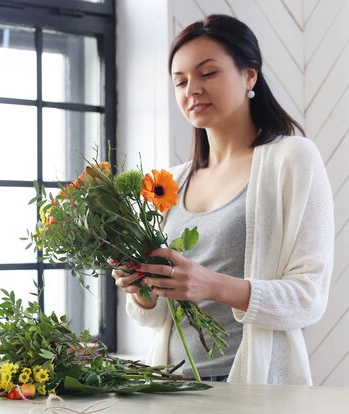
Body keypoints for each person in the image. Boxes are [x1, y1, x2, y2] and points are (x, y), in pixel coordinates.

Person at [111, 14, 334, 385]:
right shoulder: (172, 181)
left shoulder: (292, 158)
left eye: (208, 73)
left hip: (252, 385)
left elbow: (309, 296)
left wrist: (212, 285)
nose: (191, 90)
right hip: (171, 385)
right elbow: (156, 316)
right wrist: (143, 292)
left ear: (250, 75)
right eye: (180, 81)